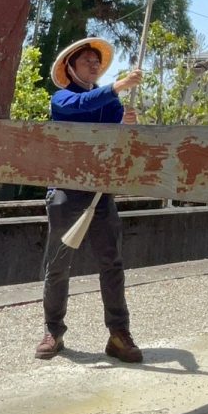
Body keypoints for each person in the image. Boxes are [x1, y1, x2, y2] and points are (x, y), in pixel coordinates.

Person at [35, 38, 143, 363]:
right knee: (58, 265)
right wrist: (118, 86)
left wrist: (126, 124)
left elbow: (119, 136)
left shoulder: (111, 102)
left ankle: (119, 334)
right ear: (70, 68)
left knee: (112, 264)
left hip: (100, 191)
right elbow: (80, 106)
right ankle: (53, 331)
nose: (94, 65)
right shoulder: (62, 98)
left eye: (96, 61)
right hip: (65, 190)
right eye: (86, 60)